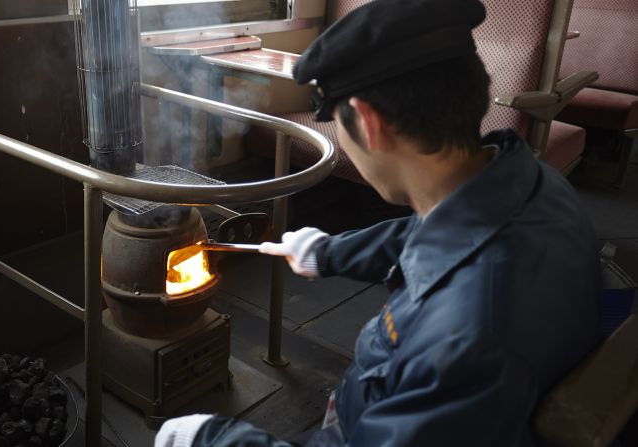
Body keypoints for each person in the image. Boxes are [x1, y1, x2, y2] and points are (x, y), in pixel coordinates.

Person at [155, 0, 603, 445]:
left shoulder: (459, 340)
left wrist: (216, 438)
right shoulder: (533, 183)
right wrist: (327, 252)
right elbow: (438, 235)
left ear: (368, 124)